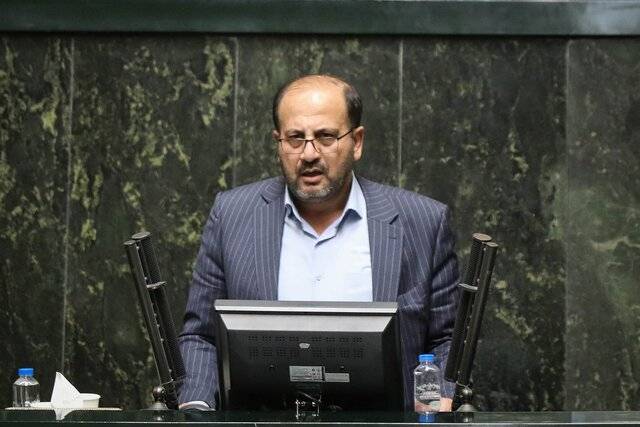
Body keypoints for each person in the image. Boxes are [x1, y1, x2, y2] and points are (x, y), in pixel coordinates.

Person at [178, 74, 459, 411]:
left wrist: (437, 400)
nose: (309, 154)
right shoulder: (232, 216)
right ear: (278, 142)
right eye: (295, 138)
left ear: (356, 142)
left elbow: (447, 339)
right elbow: (201, 336)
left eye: (326, 137)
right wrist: (196, 413)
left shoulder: (423, 222)